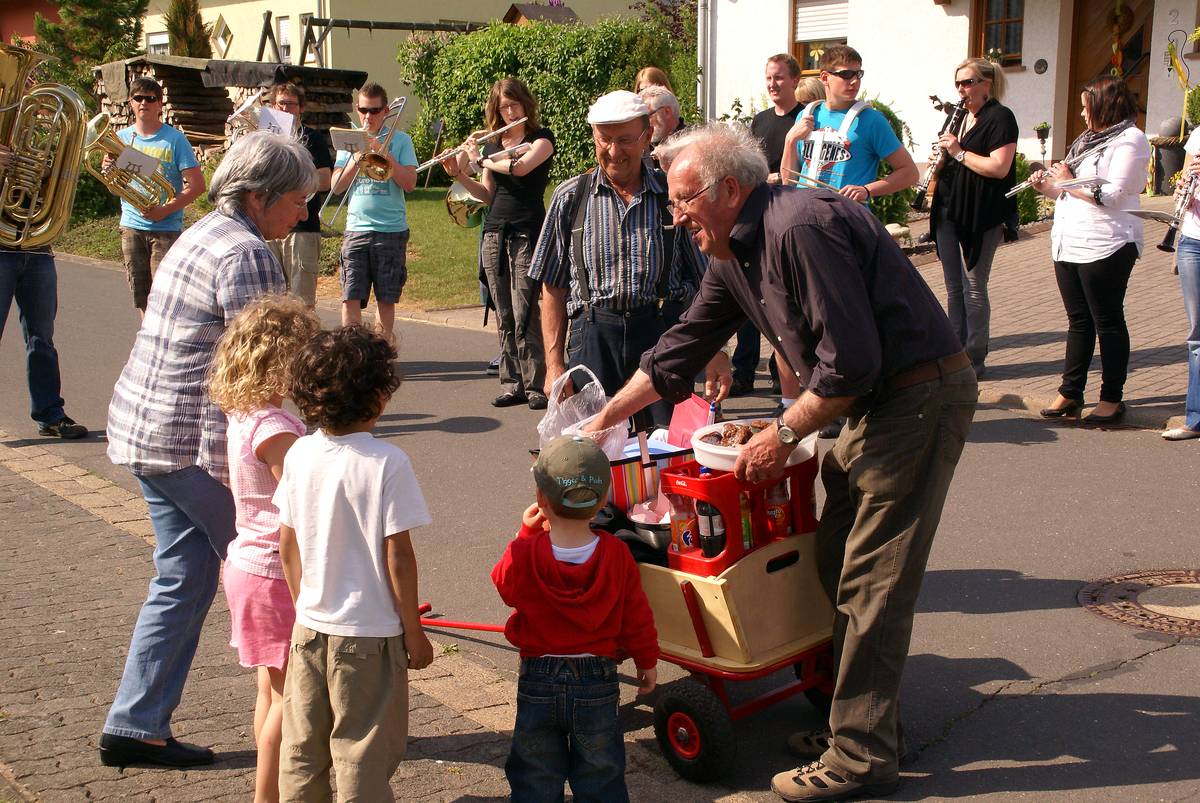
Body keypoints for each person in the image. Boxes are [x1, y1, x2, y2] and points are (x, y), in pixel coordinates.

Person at [584, 122, 977, 802]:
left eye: (684, 201)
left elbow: (851, 365)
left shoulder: (799, 226)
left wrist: (781, 432)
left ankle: (861, 752)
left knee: (871, 580)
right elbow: (678, 350)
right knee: (832, 557)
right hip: (871, 403)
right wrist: (601, 421)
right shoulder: (730, 250)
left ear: (729, 189)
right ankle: (857, 719)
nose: (675, 218)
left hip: (916, 398)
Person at [100, 131, 318, 769]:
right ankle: (295, 728)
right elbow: (266, 369)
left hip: (144, 431)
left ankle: (136, 723)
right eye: (296, 201)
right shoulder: (247, 253)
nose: (303, 212)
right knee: (285, 568)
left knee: (183, 577)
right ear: (257, 198)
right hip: (185, 446)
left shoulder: (199, 232)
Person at [276, 326, 434, 800]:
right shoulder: (387, 461)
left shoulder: (299, 452)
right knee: (362, 749)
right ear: (379, 396)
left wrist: (304, 605)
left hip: (309, 629)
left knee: (302, 747)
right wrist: (413, 629)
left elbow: (287, 543)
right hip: (369, 635)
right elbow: (399, 557)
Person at [528, 90, 715, 429]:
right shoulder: (570, 197)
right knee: (591, 458)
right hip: (593, 339)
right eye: (605, 139)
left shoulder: (673, 196)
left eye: (626, 140)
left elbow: (708, 282)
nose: (614, 152)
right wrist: (554, 364)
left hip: (661, 336)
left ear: (647, 138)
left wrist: (716, 351)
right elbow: (552, 286)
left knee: (664, 452)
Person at [491, 434, 659, 802]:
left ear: (540, 500)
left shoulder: (525, 551)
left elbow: (505, 586)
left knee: (535, 775)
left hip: (538, 678)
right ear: (602, 501)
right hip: (597, 681)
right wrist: (647, 661)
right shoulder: (616, 554)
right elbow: (637, 617)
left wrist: (525, 532)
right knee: (601, 775)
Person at [207, 294, 320, 803]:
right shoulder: (275, 427)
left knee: (269, 691)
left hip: (248, 565)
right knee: (289, 697)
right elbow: (303, 491)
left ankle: (267, 790)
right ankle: (267, 796)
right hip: (276, 571)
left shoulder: (244, 413)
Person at [780, 45, 919, 437]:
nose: (854, 80)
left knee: (843, 320)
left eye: (859, 73)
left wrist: (870, 190)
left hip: (848, 231)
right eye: (845, 73)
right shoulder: (808, 115)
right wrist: (792, 141)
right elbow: (788, 180)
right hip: (806, 228)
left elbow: (907, 172)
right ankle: (820, 402)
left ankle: (852, 402)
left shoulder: (871, 122)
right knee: (808, 320)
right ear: (824, 78)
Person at [1031, 76, 1149, 426]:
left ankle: (1112, 397)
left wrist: (1065, 180)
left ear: (1104, 106)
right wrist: (1047, 186)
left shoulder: (1130, 139)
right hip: (1069, 239)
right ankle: (1070, 391)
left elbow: (1111, 195)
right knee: (1078, 320)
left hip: (1108, 242)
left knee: (1107, 320)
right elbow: (1067, 193)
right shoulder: (1086, 140)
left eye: (1087, 107)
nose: (1082, 114)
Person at [441, 78, 555, 410]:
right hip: (494, 231)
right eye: (503, 107)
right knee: (503, 311)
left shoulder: (541, 139)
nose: (508, 112)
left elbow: (519, 168)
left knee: (525, 310)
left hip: (527, 231)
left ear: (525, 104)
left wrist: (480, 160)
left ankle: (537, 384)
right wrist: (460, 173)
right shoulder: (493, 144)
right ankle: (512, 383)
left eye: (514, 105)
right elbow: (486, 194)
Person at [930, 57, 1018, 379]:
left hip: (981, 213)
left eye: (968, 83)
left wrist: (957, 153)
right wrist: (937, 163)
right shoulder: (956, 117)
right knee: (954, 287)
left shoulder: (1001, 118)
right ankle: (956, 355)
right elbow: (947, 163)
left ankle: (975, 359)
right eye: (958, 83)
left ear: (986, 84)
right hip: (947, 209)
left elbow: (999, 168)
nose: (961, 90)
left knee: (974, 288)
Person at [0, 145, 88, 440]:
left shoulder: (36, 138)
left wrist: (47, 170)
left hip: (37, 249)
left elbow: (57, 186)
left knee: (42, 339)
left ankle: (50, 414)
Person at [732, 54, 805, 399]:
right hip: (757, 215)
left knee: (785, 301)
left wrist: (775, 177)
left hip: (791, 217)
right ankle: (743, 372)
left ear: (794, 80)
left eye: (779, 78)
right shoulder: (760, 121)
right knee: (750, 300)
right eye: (768, 79)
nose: (773, 85)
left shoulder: (806, 118)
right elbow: (747, 167)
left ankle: (785, 375)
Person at [331, 82, 418, 342]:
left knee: (386, 298)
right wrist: (356, 159)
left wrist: (386, 155)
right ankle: (352, 352)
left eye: (374, 110)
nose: (368, 117)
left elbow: (410, 184)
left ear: (386, 111)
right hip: (356, 228)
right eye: (363, 110)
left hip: (390, 229)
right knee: (350, 295)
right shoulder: (350, 141)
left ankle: (379, 354)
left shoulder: (401, 140)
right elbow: (336, 187)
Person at [113, 77, 206, 319]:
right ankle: (147, 344)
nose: (144, 103)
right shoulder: (121, 139)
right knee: (142, 297)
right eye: (138, 98)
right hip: (132, 226)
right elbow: (115, 189)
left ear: (159, 104)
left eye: (150, 99)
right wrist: (110, 172)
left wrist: (165, 210)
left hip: (165, 227)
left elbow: (197, 185)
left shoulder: (174, 139)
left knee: (165, 297)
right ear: (130, 103)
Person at [264, 83, 333, 308]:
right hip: (268, 228)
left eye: (290, 105)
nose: (285, 109)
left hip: (302, 229)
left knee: (302, 304)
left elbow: (324, 180)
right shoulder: (265, 141)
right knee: (270, 302)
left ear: (301, 108)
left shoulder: (312, 138)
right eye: (280, 104)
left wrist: (294, 174)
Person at [1164, 132, 1200, 440]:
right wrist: (1181, 191)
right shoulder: (1199, 135)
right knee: (1197, 335)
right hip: (1193, 241)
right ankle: (1195, 418)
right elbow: (1181, 190)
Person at [640, 84, 683, 148]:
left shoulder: (693, 140)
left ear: (667, 112)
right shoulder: (643, 145)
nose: (643, 123)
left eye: (647, 116)